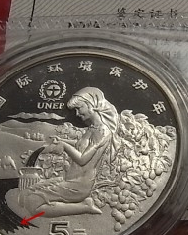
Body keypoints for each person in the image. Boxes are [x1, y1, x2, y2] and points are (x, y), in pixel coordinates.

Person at [18, 87, 118, 217]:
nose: (77, 113)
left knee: (32, 204)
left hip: (79, 186)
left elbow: (82, 159)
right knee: (26, 193)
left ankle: (84, 206)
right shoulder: (92, 128)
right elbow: (80, 145)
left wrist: (64, 146)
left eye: (79, 108)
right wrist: (61, 140)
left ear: (91, 105)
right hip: (69, 180)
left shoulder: (103, 131)